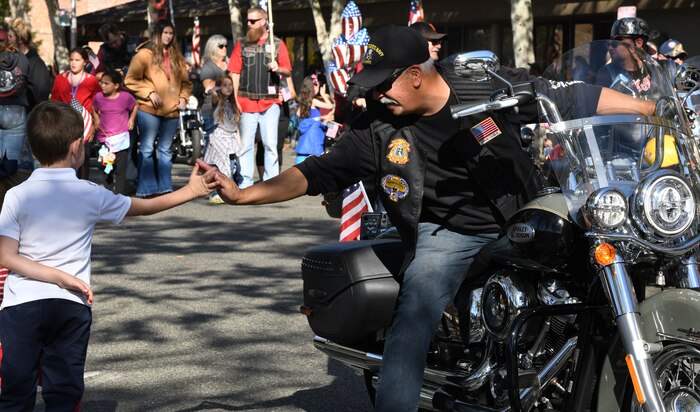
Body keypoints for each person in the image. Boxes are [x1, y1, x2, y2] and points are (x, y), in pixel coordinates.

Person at [197, 25, 655, 411]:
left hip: (527, 211)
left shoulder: (485, 85)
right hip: (448, 232)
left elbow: (569, 95)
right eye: (371, 85)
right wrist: (242, 194)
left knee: (619, 256)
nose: (375, 94)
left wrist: (650, 110)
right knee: (413, 316)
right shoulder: (377, 127)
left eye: (383, 84)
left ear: (416, 74)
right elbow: (315, 173)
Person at [0, 101, 218, 411]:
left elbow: (6, 256)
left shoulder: (16, 195)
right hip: (71, 306)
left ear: (31, 147)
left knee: (15, 394)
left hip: (20, 306)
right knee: (63, 392)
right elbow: (142, 207)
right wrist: (190, 191)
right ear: (78, 147)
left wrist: (51, 275)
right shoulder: (90, 192)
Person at [125, 20, 192, 198]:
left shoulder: (177, 57)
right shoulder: (143, 55)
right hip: (149, 109)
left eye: (171, 33)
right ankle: (147, 188)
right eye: (165, 33)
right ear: (157, 34)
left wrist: (184, 98)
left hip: (172, 111)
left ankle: (165, 187)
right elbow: (130, 79)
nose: (168, 37)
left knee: (165, 149)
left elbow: (186, 84)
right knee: (146, 148)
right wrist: (149, 93)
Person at [228, 6, 292, 188]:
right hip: (246, 101)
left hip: (270, 102)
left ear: (264, 21)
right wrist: (235, 99)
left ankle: (271, 183)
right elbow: (234, 72)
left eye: (253, 21)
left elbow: (288, 71)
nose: (249, 24)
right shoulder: (242, 44)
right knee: (246, 145)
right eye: (247, 20)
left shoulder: (278, 44)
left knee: (271, 145)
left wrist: (277, 67)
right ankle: (245, 182)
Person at [50, 47, 100, 180]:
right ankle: (67, 186)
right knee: (64, 157)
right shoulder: (60, 79)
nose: (73, 63)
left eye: (77, 60)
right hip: (64, 123)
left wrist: (94, 127)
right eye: (71, 59)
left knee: (84, 158)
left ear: (85, 62)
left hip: (85, 124)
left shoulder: (92, 81)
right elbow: (54, 102)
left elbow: (97, 104)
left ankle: (83, 188)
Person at [92, 69, 138, 194]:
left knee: (120, 169)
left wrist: (131, 120)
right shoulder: (99, 97)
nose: (102, 85)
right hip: (105, 140)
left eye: (106, 83)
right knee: (107, 168)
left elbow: (135, 105)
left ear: (116, 85)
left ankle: (119, 196)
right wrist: (96, 119)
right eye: (101, 83)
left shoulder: (125, 97)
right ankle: (108, 195)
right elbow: (94, 107)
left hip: (121, 139)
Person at [203, 75, 242, 204]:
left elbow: (235, 125)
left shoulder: (232, 103)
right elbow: (213, 94)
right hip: (219, 136)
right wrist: (215, 88)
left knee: (234, 166)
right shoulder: (217, 100)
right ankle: (217, 193)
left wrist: (239, 139)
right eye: (225, 85)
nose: (229, 87)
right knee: (222, 165)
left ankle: (228, 190)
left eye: (230, 85)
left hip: (231, 137)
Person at [595, 16, 652, 96]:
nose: (610, 47)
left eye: (617, 41)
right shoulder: (606, 74)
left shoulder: (653, 71)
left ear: (638, 43)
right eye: (610, 42)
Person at [8, 18, 52, 111]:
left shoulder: (37, 64)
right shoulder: (11, 59)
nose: (8, 40)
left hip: (28, 118)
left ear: (18, 39)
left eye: (10, 36)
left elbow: (42, 96)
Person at [0, 40, 30, 168]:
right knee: (13, 159)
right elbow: (35, 84)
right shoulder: (22, 59)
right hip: (16, 111)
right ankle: (11, 187)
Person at [294, 74, 333, 164]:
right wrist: (323, 94)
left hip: (303, 143)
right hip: (314, 142)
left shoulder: (304, 102)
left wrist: (318, 119)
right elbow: (330, 106)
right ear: (313, 87)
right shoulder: (313, 101)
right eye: (318, 86)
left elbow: (298, 114)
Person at [200, 34, 229, 142]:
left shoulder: (229, 63)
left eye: (226, 45)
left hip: (230, 110)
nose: (225, 48)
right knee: (213, 143)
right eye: (221, 46)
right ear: (212, 48)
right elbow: (209, 86)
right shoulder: (208, 67)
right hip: (212, 111)